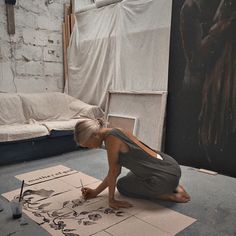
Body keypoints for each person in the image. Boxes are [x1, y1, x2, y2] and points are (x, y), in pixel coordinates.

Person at [74, 118, 190, 209]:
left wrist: (111, 200)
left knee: (123, 186)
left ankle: (169, 194)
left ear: (94, 135)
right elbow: (114, 172)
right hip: (170, 165)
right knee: (130, 176)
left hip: (163, 177)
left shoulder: (111, 140)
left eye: (88, 145)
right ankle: (173, 184)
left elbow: (113, 173)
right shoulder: (116, 131)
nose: (90, 148)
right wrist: (95, 192)